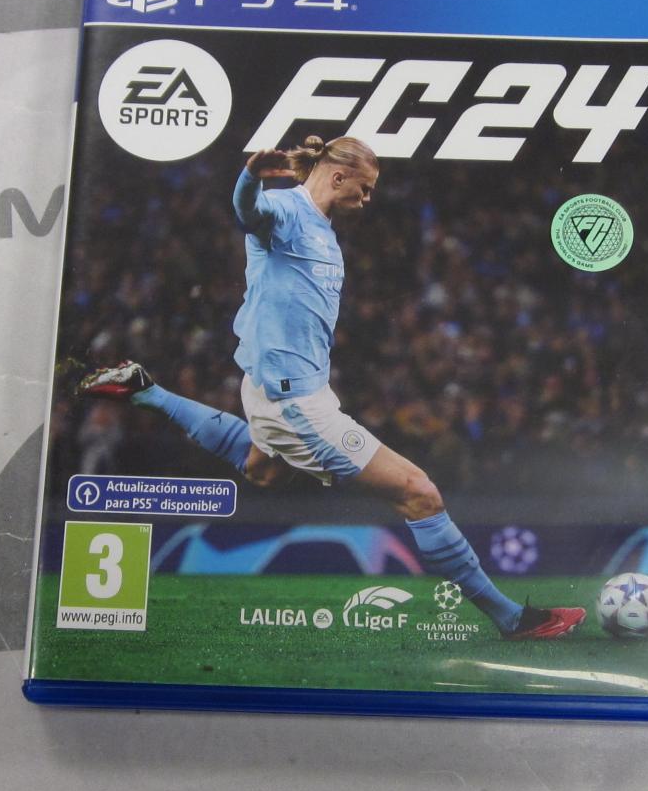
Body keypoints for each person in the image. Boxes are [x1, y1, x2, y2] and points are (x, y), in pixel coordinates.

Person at [73, 135, 585, 640]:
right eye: (365, 188)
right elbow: (248, 211)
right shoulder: (286, 210)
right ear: (338, 177)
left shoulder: (324, 231)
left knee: (262, 469)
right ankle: (510, 618)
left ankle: (146, 390)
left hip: (288, 391)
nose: (368, 198)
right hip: (294, 402)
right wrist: (250, 176)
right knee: (419, 492)